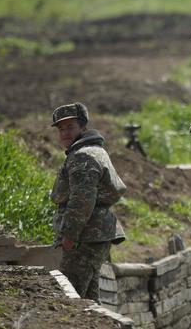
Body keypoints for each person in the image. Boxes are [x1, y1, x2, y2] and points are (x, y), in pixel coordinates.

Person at [50, 102, 126, 301]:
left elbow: (81, 201)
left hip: (85, 236)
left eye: (70, 127)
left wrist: (70, 235)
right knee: (89, 300)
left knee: (72, 298)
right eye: (61, 129)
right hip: (94, 233)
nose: (65, 133)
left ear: (83, 128)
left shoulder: (82, 156)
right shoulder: (93, 150)